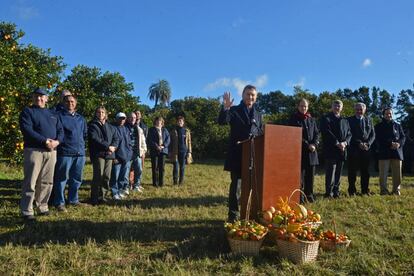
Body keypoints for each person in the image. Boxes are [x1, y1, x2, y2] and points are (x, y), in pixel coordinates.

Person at [218, 84, 263, 222]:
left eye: (253, 95)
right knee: (236, 187)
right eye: (248, 94)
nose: (250, 97)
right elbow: (222, 121)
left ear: (255, 98)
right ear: (243, 95)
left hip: (254, 156)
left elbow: (261, 132)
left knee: (253, 188)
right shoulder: (234, 110)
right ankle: (233, 216)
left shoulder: (259, 114)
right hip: (238, 155)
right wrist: (225, 108)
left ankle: (250, 215)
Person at [19, 88, 64, 221]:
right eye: (36, 96)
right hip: (34, 150)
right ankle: (27, 210)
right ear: (33, 98)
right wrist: (44, 141)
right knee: (31, 181)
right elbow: (27, 130)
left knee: (47, 181)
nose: (39, 99)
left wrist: (57, 142)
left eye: (41, 96)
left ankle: (42, 206)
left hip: (51, 151)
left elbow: (60, 130)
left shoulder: (53, 113)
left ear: (46, 98)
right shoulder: (28, 111)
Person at [53, 95, 87, 212]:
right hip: (65, 152)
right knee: (61, 178)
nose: (70, 103)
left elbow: (84, 134)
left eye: (72, 101)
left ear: (76, 103)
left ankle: (73, 200)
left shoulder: (81, 118)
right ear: (63, 103)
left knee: (76, 179)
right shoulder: (58, 116)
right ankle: (59, 202)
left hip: (80, 153)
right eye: (67, 101)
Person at [288, 99, 319, 203]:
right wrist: (307, 145)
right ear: (298, 106)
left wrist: (314, 144)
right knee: (299, 178)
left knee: (310, 177)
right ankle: (299, 198)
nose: (303, 108)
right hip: (299, 152)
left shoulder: (312, 120)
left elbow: (316, 134)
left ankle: (309, 196)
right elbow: (294, 135)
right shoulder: (293, 119)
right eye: (301, 106)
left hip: (312, 153)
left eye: (305, 106)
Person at [320, 100, 352, 198]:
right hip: (331, 150)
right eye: (335, 106)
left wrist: (345, 143)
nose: (337, 108)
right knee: (331, 172)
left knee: (338, 172)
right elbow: (326, 132)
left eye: (339, 106)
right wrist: (337, 143)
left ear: (341, 108)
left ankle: (336, 192)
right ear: (332, 107)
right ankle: (328, 193)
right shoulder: (326, 118)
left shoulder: (345, 120)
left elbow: (349, 134)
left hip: (342, 150)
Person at [88, 107, 119, 205]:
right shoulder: (92, 125)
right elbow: (95, 139)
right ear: (96, 114)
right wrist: (107, 147)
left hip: (110, 155)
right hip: (99, 154)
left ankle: (103, 196)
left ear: (106, 114)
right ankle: (94, 198)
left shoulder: (111, 127)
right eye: (98, 112)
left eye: (102, 112)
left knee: (106, 176)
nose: (100, 114)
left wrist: (113, 147)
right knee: (98, 176)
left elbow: (116, 138)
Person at [374, 107, 406, 195]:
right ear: (383, 115)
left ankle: (396, 190)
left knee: (397, 173)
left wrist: (398, 144)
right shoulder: (378, 126)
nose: (389, 115)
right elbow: (378, 139)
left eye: (390, 113)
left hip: (397, 152)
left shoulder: (398, 125)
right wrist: (390, 144)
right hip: (384, 152)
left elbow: (403, 137)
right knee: (383, 174)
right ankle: (383, 190)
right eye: (387, 114)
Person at [347, 102, 376, 196]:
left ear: (365, 110)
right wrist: (359, 143)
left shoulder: (369, 119)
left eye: (361, 109)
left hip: (366, 150)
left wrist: (368, 144)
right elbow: (349, 134)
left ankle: (365, 190)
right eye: (357, 109)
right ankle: (352, 191)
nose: (359, 111)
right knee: (352, 171)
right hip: (354, 149)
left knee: (365, 171)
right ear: (354, 109)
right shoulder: (349, 120)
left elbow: (373, 134)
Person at [110, 112, 133, 200]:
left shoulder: (126, 129)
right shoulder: (112, 128)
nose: (122, 120)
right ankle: (114, 192)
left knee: (122, 177)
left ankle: (120, 191)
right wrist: (113, 156)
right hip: (117, 157)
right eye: (120, 118)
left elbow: (129, 143)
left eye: (123, 118)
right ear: (116, 118)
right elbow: (112, 144)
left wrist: (130, 154)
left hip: (126, 157)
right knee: (115, 176)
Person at [126, 112, 147, 192]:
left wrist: (144, 150)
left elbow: (143, 140)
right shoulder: (124, 127)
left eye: (134, 118)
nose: (133, 119)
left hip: (136, 153)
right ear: (128, 118)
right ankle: (127, 186)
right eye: (131, 117)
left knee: (139, 169)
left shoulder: (138, 128)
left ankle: (136, 185)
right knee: (127, 171)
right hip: (127, 153)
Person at [147, 116, 170, 187]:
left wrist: (163, 146)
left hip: (163, 151)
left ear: (162, 122)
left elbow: (168, 139)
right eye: (157, 121)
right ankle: (155, 183)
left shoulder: (165, 130)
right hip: (154, 150)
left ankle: (161, 183)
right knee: (155, 167)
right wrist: (156, 146)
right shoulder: (151, 129)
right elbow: (149, 139)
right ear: (155, 122)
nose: (158, 122)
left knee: (162, 168)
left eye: (160, 121)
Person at [169, 116, 192, 185]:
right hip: (175, 152)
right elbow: (170, 142)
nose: (180, 122)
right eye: (178, 121)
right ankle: (175, 181)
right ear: (176, 122)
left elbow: (189, 142)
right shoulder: (173, 131)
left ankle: (181, 182)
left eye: (181, 121)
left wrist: (189, 152)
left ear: (183, 122)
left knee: (182, 167)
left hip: (183, 151)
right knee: (175, 167)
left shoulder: (186, 131)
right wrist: (170, 151)